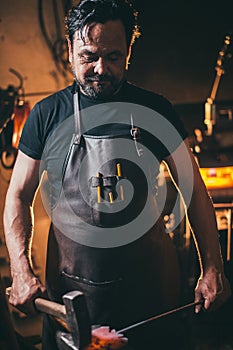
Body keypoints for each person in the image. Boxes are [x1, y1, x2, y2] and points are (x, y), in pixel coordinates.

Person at [3, 0, 231, 349]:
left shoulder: (156, 110)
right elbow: (17, 195)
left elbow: (195, 190)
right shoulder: (47, 116)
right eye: (89, 56)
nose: (100, 68)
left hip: (152, 296)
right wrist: (22, 272)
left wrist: (213, 267)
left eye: (113, 56)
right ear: (70, 50)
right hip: (72, 299)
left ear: (128, 51)